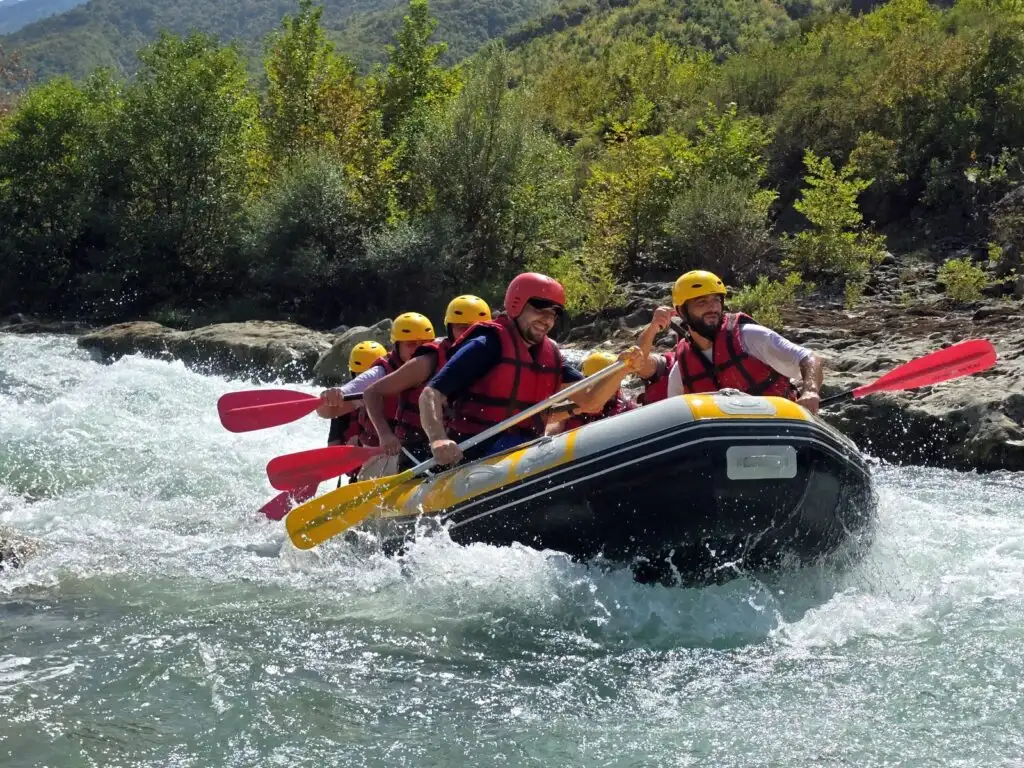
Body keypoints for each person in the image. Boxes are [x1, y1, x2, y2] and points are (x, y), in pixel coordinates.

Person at [419, 272, 644, 466]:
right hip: (476, 452)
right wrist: (438, 439)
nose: (547, 319)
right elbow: (431, 393)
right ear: (516, 304)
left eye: (554, 313)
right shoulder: (487, 345)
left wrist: (621, 370)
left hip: (522, 448)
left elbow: (591, 402)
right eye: (540, 308)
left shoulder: (551, 355)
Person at [362, 295, 492, 470]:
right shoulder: (427, 361)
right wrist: (385, 434)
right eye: (463, 328)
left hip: (464, 447)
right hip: (419, 452)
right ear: (450, 329)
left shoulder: (492, 361)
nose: (470, 334)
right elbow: (371, 392)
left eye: (477, 329)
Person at [665, 270, 823, 412]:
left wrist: (810, 390)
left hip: (780, 425)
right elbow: (675, 414)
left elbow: (809, 358)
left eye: (716, 300)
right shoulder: (681, 371)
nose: (712, 308)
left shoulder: (749, 337)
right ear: (681, 312)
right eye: (702, 302)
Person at [317, 312, 438, 478]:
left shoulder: (440, 362)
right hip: (385, 454)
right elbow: (326, 411)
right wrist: (332, 397)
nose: (418, 349)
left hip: (428, 448)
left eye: (424, 343)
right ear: (397, 345)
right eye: (410, 344)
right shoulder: (379, 373)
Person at [545, 350, 637, 436]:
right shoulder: (571, 405)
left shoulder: (626, 405)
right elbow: (551, 426)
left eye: (617, 380)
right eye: (611, 381)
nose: (614, 386)